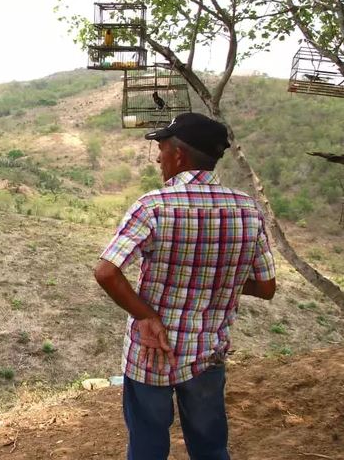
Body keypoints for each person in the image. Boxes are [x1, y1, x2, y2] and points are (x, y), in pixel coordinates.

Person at [94, 113, 276, 460]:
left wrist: (146, 316)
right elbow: (267, 287)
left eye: (162, 148)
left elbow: (106, 272)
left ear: (179, 155)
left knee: (146, 445)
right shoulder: (248, 210)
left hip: (152, 352)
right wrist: (220, 279)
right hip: (208, 353)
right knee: (210, 447)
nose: (158, 157)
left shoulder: (154, 206)